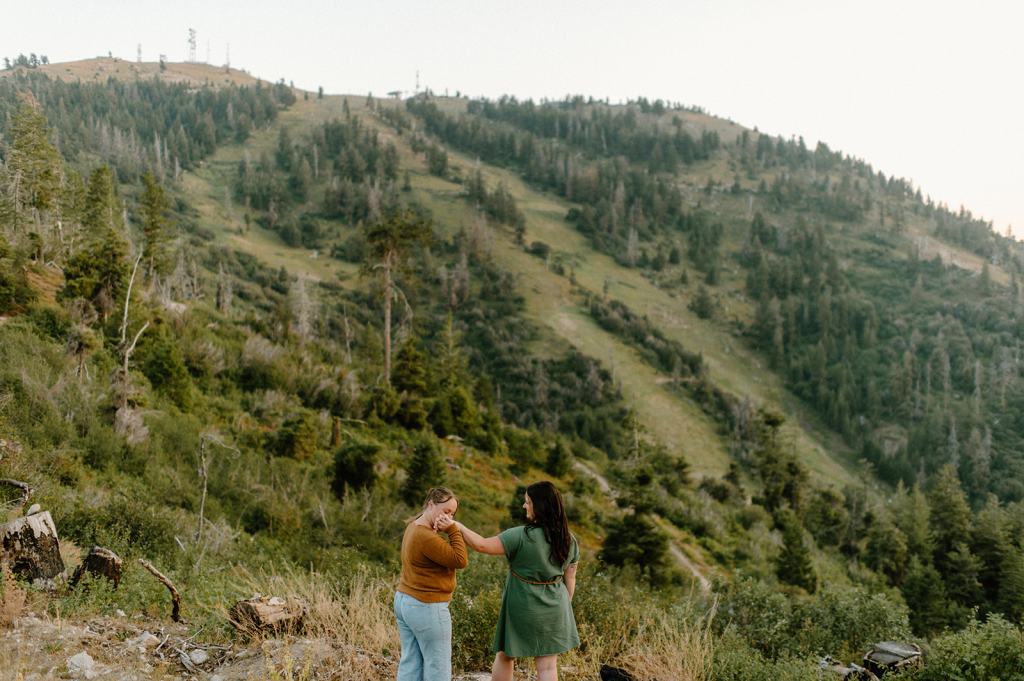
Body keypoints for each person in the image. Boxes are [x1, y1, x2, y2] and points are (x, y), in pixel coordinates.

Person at [456, 481, 579, 681]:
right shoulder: (569, 539)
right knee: (548, 666)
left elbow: (482, 545)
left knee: (506, 655)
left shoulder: (521, 535)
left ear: (540, 506)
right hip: (556, 606)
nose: (524, 505)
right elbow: (570, 577)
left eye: (528, 502)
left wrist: (458, 526)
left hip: (523, 603)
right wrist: (565, 604)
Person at [395, 486, 468, 681]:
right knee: (438, 668)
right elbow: (460, 560)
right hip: (426, 606)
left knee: (411, 664)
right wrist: (452, 530)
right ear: (430, 505)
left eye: (452, 514)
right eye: (446, 511)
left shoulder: (413, 527)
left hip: (405, 600)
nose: (449, 518)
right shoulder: (426, 537)